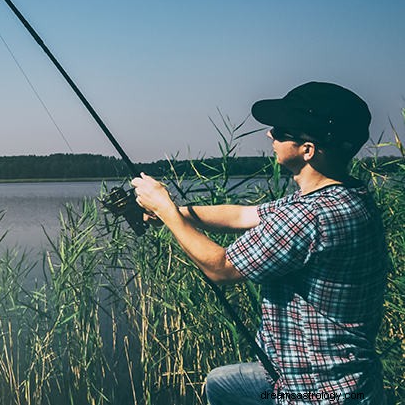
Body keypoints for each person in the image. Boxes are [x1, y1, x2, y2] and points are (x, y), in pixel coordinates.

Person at [131, 82, 387, 404]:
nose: (270, 136)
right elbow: (242, 215)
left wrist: (166, 210)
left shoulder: (309, 217)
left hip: (319, 388)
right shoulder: (344, 196)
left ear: (307, 149)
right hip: (315, 375)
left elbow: (221, 268)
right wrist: (176, 213)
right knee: (221, 383)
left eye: (280, 131)